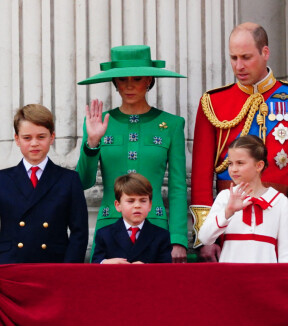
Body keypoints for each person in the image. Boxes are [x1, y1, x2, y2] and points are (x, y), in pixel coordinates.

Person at [191, 22, 288, 262]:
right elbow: (201, 178)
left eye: (246, 57)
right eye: (233, 58)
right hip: (228, 222)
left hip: (280, 221)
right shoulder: (213, 103)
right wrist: (205, 238)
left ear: (265, 53)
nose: (238, 66)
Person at [77, 45, 189, 263]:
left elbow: (177, 186)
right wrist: (92, 142)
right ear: (115, 83)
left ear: (148, 80)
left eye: (137, 78)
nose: (129, 85)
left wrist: (178, 239)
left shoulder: (172, 125)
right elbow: (83, 181)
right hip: (109, 227)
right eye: (122, 79)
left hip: (155, 228)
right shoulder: (98, 123)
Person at [0, 104, 88, 263]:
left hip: (54, 265)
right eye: (27, 138)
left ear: (52, 137)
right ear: (17, 139)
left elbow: (79, 233)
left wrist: (68, 270)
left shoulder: (69, 180)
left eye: (41, 137)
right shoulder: (3, 179)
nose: (34, 143)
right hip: (10, 265)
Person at [198, 135, 288, 263]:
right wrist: (228, 212)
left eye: (240, 163)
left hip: (266, 278)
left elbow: (285, 252)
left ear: (259, 166)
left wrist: (283, 281)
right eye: (230, 163)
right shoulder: (225, 196)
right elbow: (204, 238)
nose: (233, 169)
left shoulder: (279, 201)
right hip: (230, 277)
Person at [92, 173, 172, 264]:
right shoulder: (104, 234)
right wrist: (106, 263)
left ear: (150, 205)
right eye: (130, 201)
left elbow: (165, 270)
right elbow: (95, 263)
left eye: (143, 201)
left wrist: (147, 269)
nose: (137, 206)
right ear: (118, 205)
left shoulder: (161, 236)